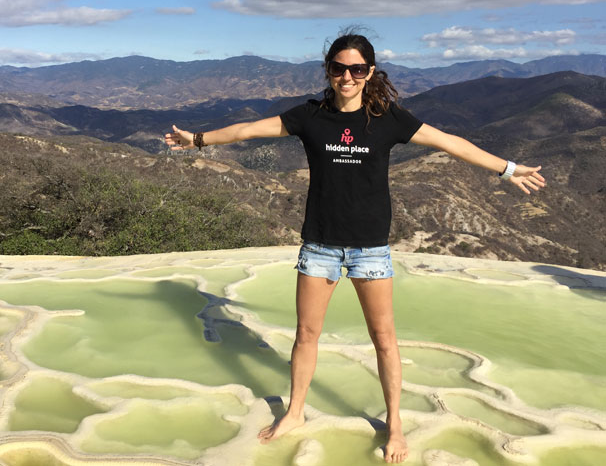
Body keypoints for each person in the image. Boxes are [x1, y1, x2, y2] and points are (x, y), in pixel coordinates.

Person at [164, 31, 545, 464]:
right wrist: (197, 140)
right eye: (339, 68)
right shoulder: (310, 116)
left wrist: (507, 169)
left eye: (356, 69)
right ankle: (296, 413)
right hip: (320, 246)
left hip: (370, 250)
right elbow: (248, 130)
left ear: (370, 73)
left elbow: (449, 143)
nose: (347, 76)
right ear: (328, 71)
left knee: (384, 339)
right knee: (306, 335)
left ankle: (395, 423)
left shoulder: (388, 118)